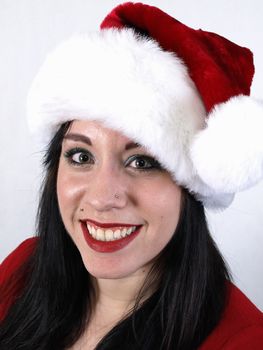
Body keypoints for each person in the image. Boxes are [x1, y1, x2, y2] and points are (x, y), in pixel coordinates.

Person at [1, 2, 263, 349]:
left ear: (190, 189)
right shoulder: (24, 269)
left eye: (142, 162)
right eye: (81, 156)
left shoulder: (244, 340)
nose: (101, 197)